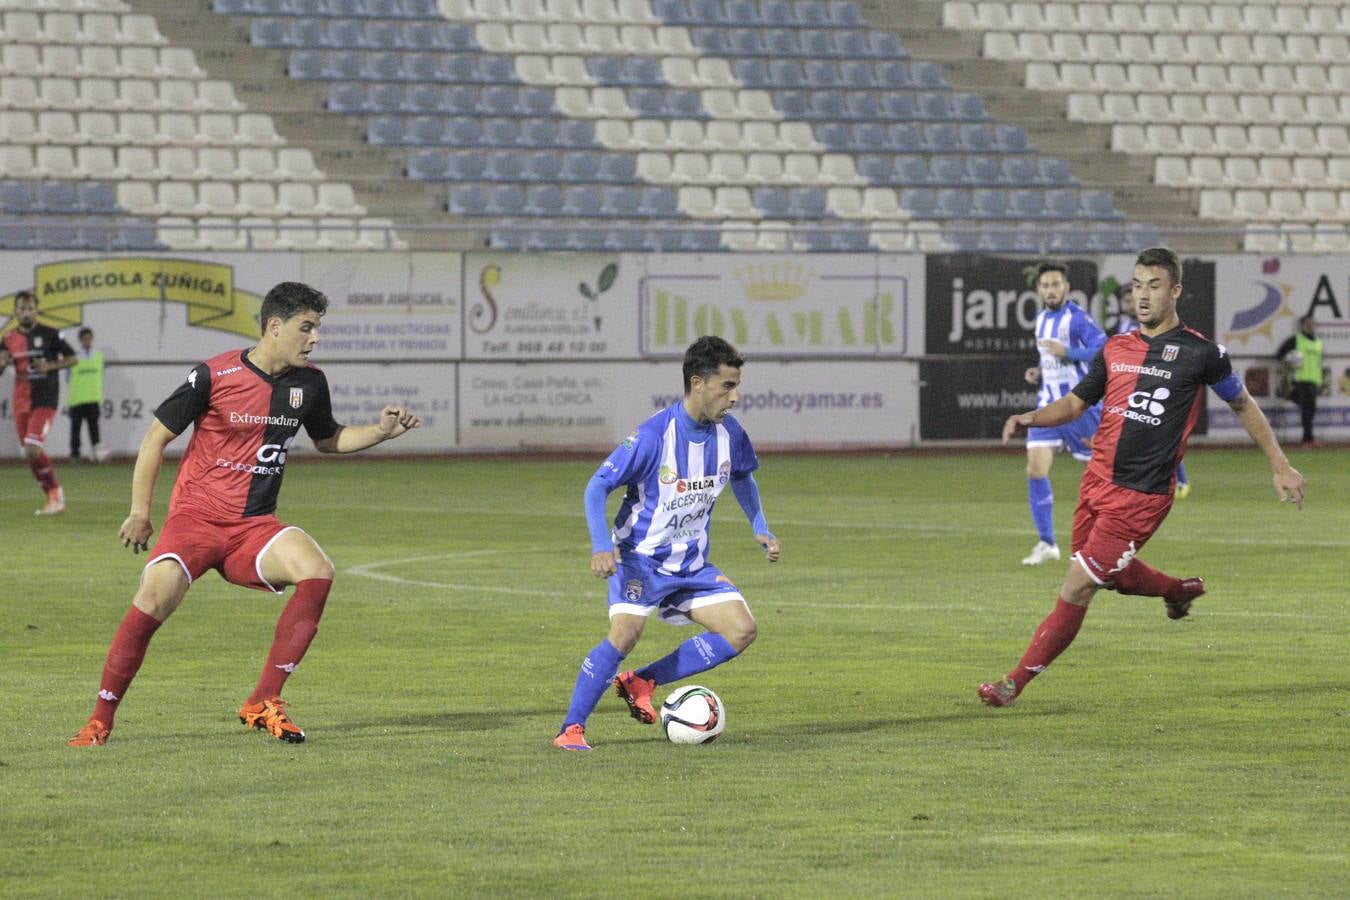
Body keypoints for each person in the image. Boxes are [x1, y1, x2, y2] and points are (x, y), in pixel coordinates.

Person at [68, 282, 421, 746]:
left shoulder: (309, 383)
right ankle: (100, 721)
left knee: (317, 569)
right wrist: (140, 512)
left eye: (317, 328)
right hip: (195, 520)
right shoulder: (214, 375)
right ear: (275, 326)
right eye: (306, 328)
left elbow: (328, 438)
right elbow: (155, 438)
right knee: (153, 598)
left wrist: (379, 431)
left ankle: (262, 701)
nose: (315, 338)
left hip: (254, 527)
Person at [979, 248, 1305, 708]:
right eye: (1136, 286)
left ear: (1175, 291)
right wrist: (1031, 417)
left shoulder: (1200, 353)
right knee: (1104, 575)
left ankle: (1012, 683)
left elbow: (1243, 404)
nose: (1143, 295)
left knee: (1078, 584)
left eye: (1154, 286)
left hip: (1142, 494)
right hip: (1096, 481)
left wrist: (1280, 464)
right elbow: (1075, 403)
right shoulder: (1116, 348)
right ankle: (1178, 590)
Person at [553, 335, 781, 751]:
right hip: (639, 560)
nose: (735, 396)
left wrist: (760, 526)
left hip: (690, 566)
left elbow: (743, 475)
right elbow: (597, 486)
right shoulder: (654, 437)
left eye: (736, 385)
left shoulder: (731, 434)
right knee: (625, 634)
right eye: (727, 386)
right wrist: (601, 544)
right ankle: (571, 729)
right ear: (698, 384)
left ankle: (642, 681)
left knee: (741, 630)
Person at [1019, 262, 1107, 566]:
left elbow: (1104, 348)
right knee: (1035, 469)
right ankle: (1047, 543)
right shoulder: (1042, 319)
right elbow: (1051, 360)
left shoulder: (1077, 318)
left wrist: (1068, 353)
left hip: (1079, 407)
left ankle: (1101, 542)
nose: (1050, 290)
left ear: (1066, 288)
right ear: (1039, 290)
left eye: (1056, 284)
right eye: (1045, 286)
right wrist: (1040, 372)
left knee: (1099, 478)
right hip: (1048, 405)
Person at [0, 290, 77, 514]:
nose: (26, 312)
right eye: (22, 308)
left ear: (36, 310)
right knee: (28, 452)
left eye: (30, 308)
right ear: (15, 311)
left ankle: (56, 494)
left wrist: (49, 366)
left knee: (33, 449)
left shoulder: (51, 334)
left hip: (45, 398)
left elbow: (73, 358)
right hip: (21, 399)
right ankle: (52, 498)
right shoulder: (8, 338)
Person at [1117, 288, 1191, 497]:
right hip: (1132, 388)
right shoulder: (1124, 325)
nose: (1128, 304)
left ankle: (1181, 481)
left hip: (1154, 387)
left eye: (1129, 300)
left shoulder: (1155, 325)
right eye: (1124, 301)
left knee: (1162, 436)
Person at [1275, 315, 1322, 445]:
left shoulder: (1318, 341)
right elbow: (1279, 354)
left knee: (1310, 408)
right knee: (1307, 408)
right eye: (1307, 324)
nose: (1310, 326)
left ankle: (1308, 437)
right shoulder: (1296, 339)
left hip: (1314, 379)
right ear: (1302, 326)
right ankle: (1307, 438)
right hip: (1300, 379)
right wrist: (1288, 362)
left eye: (1312, 324)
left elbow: (1318, 362)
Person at [67, 326, 110, 463]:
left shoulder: (99, 356)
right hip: (77, 399)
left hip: (93, 398)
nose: (87, 341)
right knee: (75, 430)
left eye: (89, 339)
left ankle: (98, 456)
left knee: (94, 430)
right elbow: (68, 378)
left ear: (92, 339)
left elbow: (101, 374)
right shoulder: (73, 357)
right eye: (84, 339)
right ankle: (75, 455)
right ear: (80, 340)